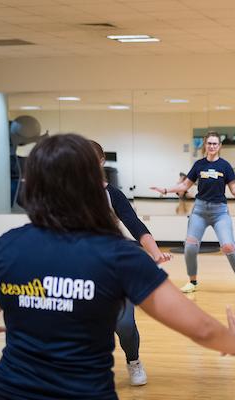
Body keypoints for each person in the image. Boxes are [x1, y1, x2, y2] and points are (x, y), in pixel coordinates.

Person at [0, 133, 235, 400]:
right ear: (90, 181)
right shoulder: (118, 256)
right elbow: (202, 329)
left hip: (8, 390)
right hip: (83, 393)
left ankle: (133, 359)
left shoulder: (5, 247)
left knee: (125, 325)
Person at [90, 140, 172, 386]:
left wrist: (155, 253)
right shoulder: (66, 194)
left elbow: (135, 225)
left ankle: (133, 360)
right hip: (80, 268)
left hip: (114, 266)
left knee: (124, 324)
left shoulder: (112, 194)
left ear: (101, 161)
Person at [151, 131, 235, 296]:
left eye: (215, 143)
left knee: (228, 246)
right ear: (205, 145)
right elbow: (184, 186)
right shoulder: (198, 165)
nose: (212, 146)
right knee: (190, 247)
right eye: (209, 143)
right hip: (199, 211)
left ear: (219, 146)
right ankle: (192, 281)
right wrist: (165, 190)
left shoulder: (225, 166)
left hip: (220, 211)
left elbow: (234, 189)